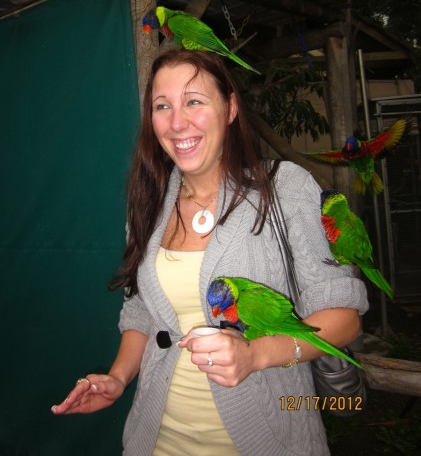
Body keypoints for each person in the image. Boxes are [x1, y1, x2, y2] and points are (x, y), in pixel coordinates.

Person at [52, 49, 368, 455]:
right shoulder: (148, 201)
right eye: (162, 106)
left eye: (195, 101)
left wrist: (255, 355)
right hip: (157, 438)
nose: (177, 121)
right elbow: (141, 312)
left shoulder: (284, 188)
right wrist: (117, 377)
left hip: (269, 435)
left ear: (231, 108)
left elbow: (343, 318)